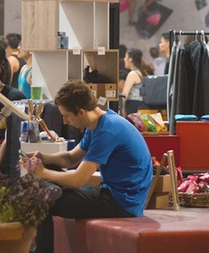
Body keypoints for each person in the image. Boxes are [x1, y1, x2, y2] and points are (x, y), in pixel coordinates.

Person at [25, 80, 153, 253]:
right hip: (113, 193)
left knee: (42, 200)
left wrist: (43, 173)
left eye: (67, 115)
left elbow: (77, 180)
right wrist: (45, 159)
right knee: (51, 172)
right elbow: (71, 158)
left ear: (81, 112)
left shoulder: (107, 131)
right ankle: (52, 189)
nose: (65, 121)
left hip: (121, 203)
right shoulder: (99, 123)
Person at [120, 48, 146, 116]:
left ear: (130, 59)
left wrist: (121, 109)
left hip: (133, 106)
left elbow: (124, 95)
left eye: (126, 57)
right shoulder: (140, 72)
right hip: (139, 105)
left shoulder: (132, 74)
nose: (124, 59)